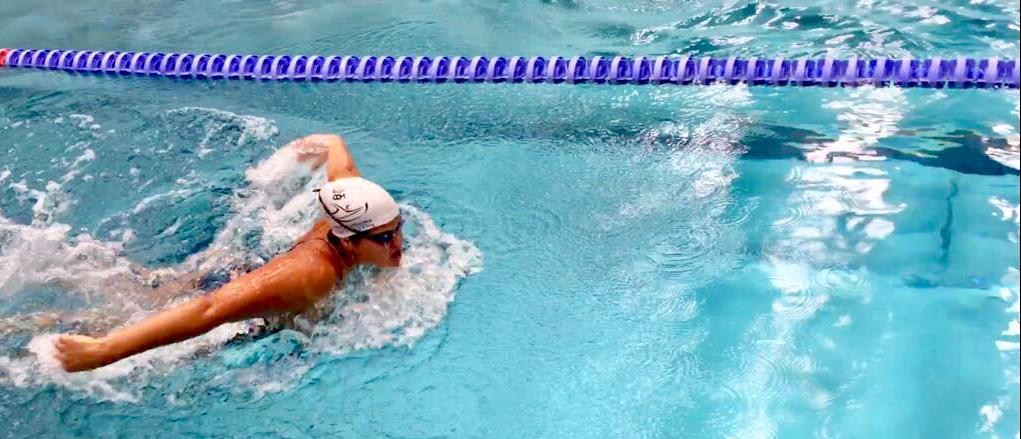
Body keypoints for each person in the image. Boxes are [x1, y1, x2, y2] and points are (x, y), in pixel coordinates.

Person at [52, 134, 404, 372]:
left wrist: (319, 145)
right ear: (346, 241)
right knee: (122, 312)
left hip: (247, 272)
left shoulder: (356, 204)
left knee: (142, 291)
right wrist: (106, 351)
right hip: (233, 291)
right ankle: (34, 332)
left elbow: (338, 155)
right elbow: (211, 309)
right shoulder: (310, 274)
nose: (398, 244)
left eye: (398, 228)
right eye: (386, 237)